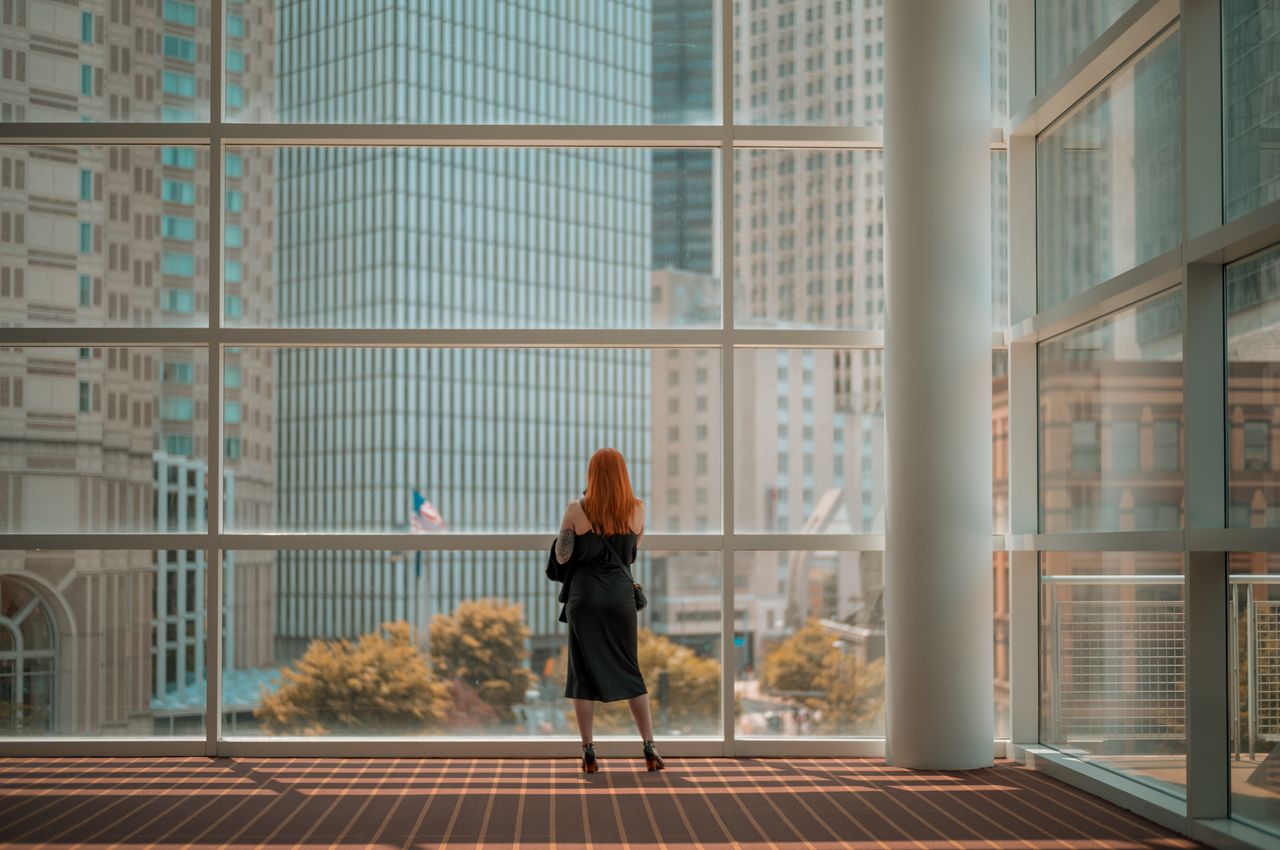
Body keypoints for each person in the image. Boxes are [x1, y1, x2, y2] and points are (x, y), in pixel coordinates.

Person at [552, 447, 663, 773]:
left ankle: (588, 752)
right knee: (630, 669)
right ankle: (649, 746)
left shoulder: (577, 509)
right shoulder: (638, 510)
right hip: (620, 598)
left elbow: (561, 556)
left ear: (592, 475)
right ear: (623, 475)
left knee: (582, 674)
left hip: (584, 598)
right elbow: (630, 554)